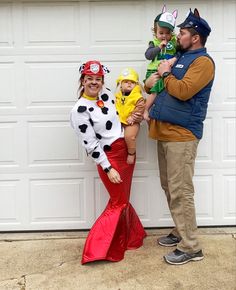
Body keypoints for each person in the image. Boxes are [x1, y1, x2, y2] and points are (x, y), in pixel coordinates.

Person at [145, 8, 215, 265]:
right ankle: (180, 231)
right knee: (170, 187)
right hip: (163, 131)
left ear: (195, 37)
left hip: (182, 135)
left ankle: (192, 246)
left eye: (183, 32)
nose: (178, 36)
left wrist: (164, 73)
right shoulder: (178, 57)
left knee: (181, 191)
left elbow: (183, 91)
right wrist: (152, 81)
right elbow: (156, 85)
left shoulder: (202, 62)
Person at [70, 60, 146, 264]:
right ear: (82, 81)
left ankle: (130, 238)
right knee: (118, 202)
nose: (94, 83)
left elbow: (126, 110)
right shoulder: (80, 110)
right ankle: (96, 250)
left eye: (98, 79)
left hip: (126, 152)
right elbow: (91, 143)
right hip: (109, 158)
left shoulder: (108, 93)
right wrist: (108, 167)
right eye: (90, 79)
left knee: (123, 198)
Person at [143, 5, 178, 121]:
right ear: (155, 32)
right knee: (155, 92)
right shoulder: (154, 43)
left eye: (167, 33)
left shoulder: (174, 43)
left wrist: (175, 58)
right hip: (154, 71)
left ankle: (153, 113)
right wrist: (158, 47)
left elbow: (180, 52)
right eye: (161, 33)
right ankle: (145, 110)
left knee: (162, 94)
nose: (164, 36)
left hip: (165, 71)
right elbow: (148, 55)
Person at [115, 68, 145, 164]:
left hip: (131, 122)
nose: (129, 84)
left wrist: (133, 117)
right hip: (119, 121)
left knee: (129, 136)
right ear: (121, 83)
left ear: (136, 84)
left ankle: (131, 153)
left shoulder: (137, 97)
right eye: (126, 82)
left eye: (132, 82)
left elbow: (140, 108)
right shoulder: (117, 96)